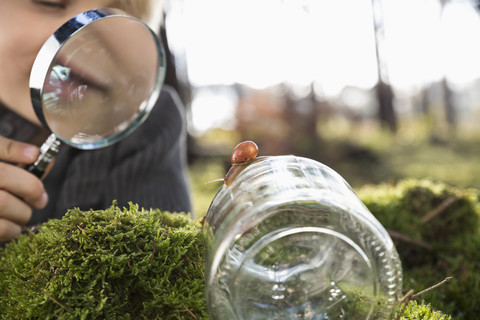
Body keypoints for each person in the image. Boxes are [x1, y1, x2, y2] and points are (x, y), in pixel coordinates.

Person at [0, 0, 191, 242]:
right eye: (50, 2)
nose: (82, 33)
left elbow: (160, 264)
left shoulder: (147, 125)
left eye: (117, 14)